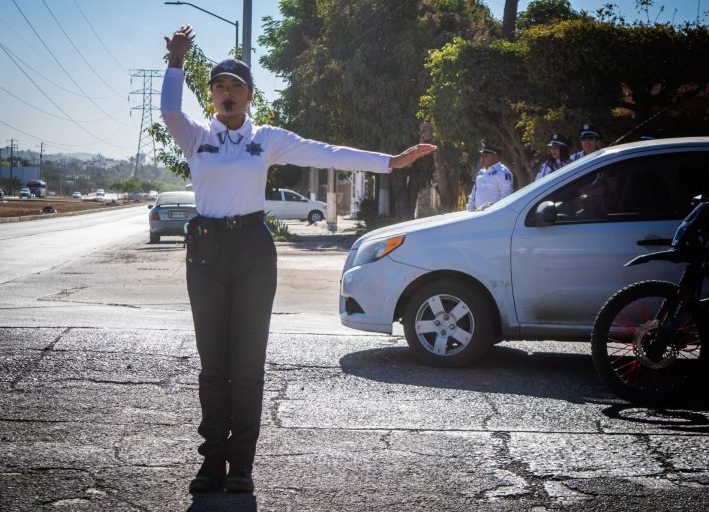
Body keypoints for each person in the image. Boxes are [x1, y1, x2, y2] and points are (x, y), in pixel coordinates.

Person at [161, 25, 436, 494]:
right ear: (211, 96)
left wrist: (389, 162)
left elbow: (324, 153)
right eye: (219, 86)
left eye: (235, 86)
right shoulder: (195, 135)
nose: (226, 93)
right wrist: (176, 62)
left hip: (252, 249)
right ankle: (211, 462)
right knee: (213, 361)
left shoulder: (266, 138)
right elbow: (169, 109)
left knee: (248, 361)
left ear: (249, 95)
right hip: (206, 252)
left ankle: (241, 465)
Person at [465, 142, 513, 211]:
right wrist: (469, 209)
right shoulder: (481, 172)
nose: (482, 158)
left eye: (485, 156)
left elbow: (506, 196)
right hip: (478, 214)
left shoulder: (503, 172)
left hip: (494, 214)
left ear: (495, 157)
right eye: (481, 156)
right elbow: (473, 194)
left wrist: (496, 212)